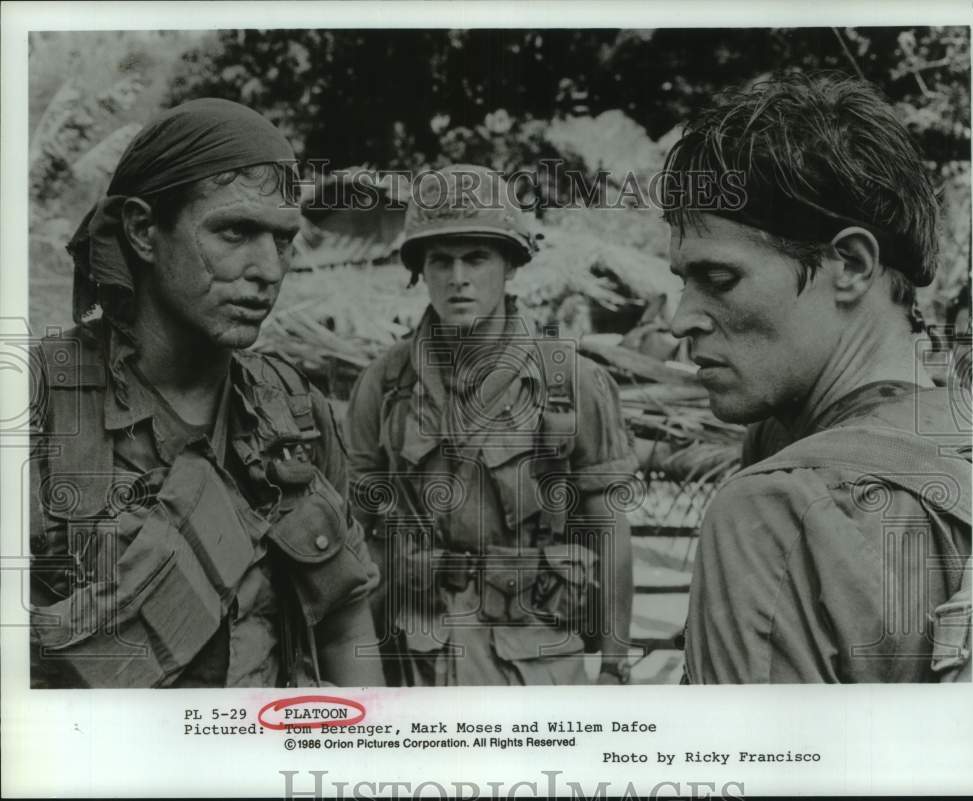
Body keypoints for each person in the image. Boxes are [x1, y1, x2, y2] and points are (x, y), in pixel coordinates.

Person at [29, 98, 384, 689]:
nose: (268, 268)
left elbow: (346, 628)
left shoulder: (294, 413)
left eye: (283, 240)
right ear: (144, 230)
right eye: (236, 231)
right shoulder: (37, 407)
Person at [663, 73, 973, 683]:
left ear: (852, 266)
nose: (681, 319)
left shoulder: (774, 512)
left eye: (719, 279)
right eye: (682, 281)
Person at [344, 164, 637, 686]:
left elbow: (608, 527)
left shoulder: (572, 382)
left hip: (535, 667)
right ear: (420, 271)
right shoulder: (386, 383)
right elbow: (357, 533)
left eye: (476, 257)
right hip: (416, 663)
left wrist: (614, 665)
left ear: (509, 266)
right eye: (441, 260)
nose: (458, 277)